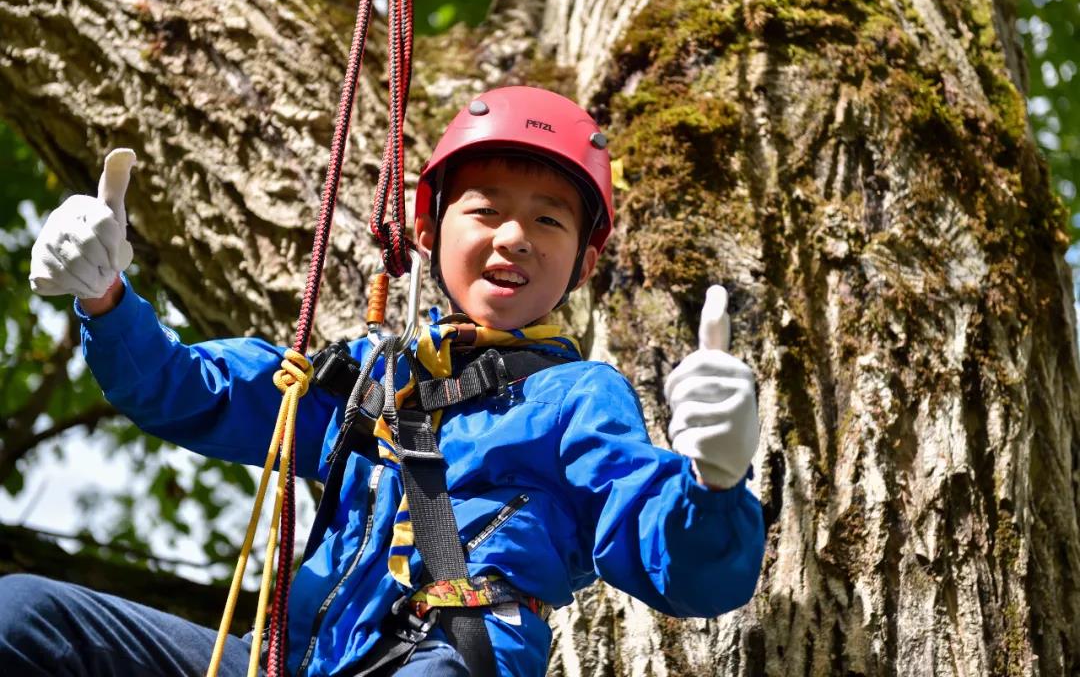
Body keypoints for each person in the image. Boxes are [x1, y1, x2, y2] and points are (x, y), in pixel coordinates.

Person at [6, 86, 765, 676]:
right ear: (427, 230)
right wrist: (106, 302)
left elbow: (672, 554)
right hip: (293, 660)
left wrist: (714, 484)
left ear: (584, 263)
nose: (512, 236)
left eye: (549, 222)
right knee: (22, 616)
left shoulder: (574, 397)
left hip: (450, 656)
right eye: (486, 209)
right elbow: (189, 391)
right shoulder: (370, 377)